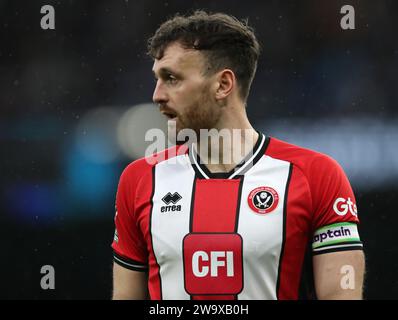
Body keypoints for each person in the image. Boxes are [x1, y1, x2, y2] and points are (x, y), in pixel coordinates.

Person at [111, 10, 365, 300]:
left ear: (223, 85)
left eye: (171, 78)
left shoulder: (315, 176)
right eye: (158, 78)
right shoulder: (139, 180)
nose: (157, 95)